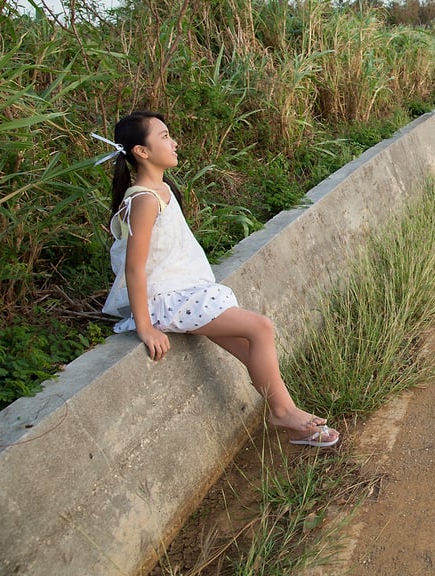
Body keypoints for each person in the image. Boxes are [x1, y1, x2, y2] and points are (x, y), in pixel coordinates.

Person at [94, 111, 339, 448]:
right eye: (164, 136)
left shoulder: (161, 189)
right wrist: (145, 325)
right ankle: (283, 412)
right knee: (260, 328)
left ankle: (293, 420)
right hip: (166, 300)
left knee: (247, 346)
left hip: (186, 291)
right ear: (141, 151)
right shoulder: (143, 200)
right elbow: (134, 269)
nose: (174, 142)